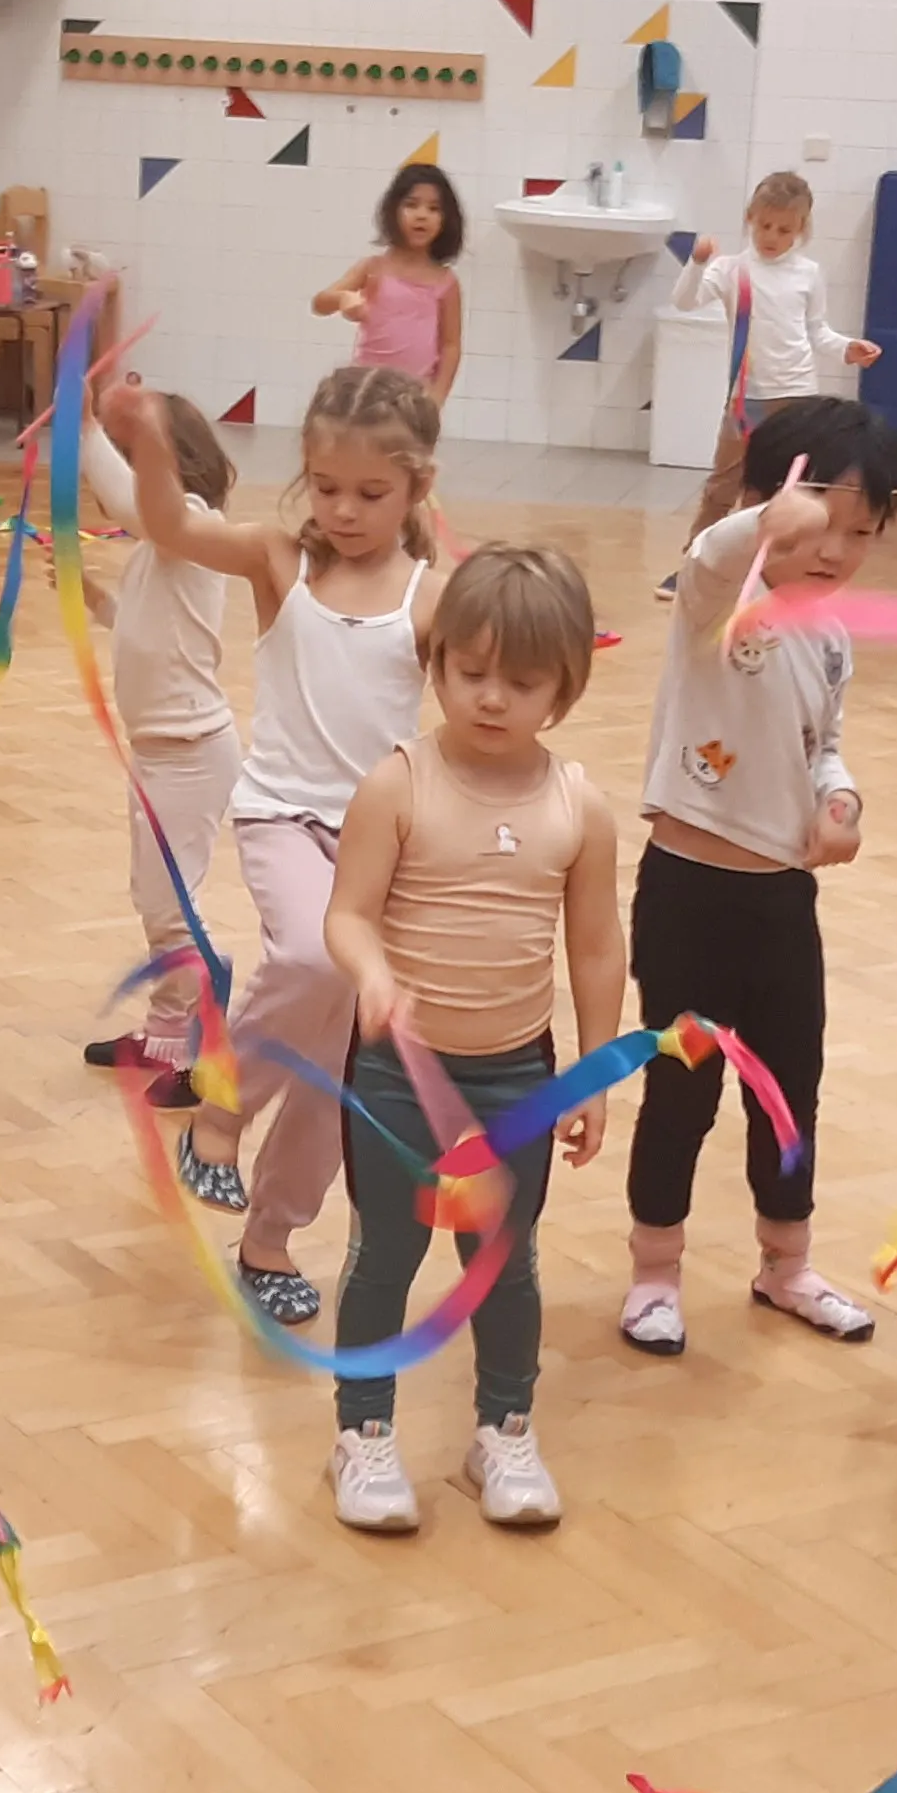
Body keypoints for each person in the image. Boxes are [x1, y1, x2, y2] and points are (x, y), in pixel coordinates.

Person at [108, 363, 444, 1324]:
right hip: (282, 815)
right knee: (309, 957)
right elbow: (170, 527)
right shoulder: (276, 560)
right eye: (326, 487)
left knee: (341, 1056)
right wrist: (156, 444)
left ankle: (270, 1239)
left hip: (379, 843)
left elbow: (483, 678)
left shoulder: (428, 595)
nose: (343, 510)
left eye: (371, 493)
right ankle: (219, 1109)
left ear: (417, 488)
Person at [317, 544, 625, 1532]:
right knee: (385, 1255)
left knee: (505, 1258)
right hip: (398, 1077)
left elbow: (595, 947)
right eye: (469, 671)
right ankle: (361, 1436)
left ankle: (503, 1426)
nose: (491, 697)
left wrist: (595, 1071)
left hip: (516, 1079)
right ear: (437, 663)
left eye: (521, 680)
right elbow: (349, 914)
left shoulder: (580, 807)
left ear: (563, 690)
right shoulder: (396, 785)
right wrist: (372, 974)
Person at [620, 395, 897, 1354]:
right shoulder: (716, 598)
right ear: (765, 500)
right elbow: (706, 560)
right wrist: (755, 523)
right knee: (680, 1094)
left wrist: (843, 800)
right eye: (819, 525)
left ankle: (787, 1264)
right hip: (688, 895)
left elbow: (824, 745)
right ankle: (654, 1272)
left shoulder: (829, 637)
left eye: (859, 535)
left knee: (791, 1090)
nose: (832, 552)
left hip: (783, 899)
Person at [73, 383, 240, 1108]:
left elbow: (123, 497)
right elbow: (149, 633)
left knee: (169, 907)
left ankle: (204, 1048)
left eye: (143, 452)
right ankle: (165, 1035)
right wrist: (93, 600)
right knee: (154, 902)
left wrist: (87, 429)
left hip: (191, 754)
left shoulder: (193, 529)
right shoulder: (160, 551)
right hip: (161, 754)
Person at [662, 170, 880, 591]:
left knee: (779, 491)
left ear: (802, 229)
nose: (772, 236)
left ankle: (762, 571)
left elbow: (817, 331)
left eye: (784, 229)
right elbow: (684, 301)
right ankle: (693, 567)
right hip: (747, 398)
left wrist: (846, 348)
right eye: (764, 225)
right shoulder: (731, 270)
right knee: (722, 486)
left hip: (797, 398)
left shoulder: (808, 274)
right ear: (750, 218)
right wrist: (698, 262)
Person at [315, 162, 465, 406]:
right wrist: (343, 299)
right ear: (393, 211)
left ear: (446, 220)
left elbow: (450, 346)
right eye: (411, 205)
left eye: (434, 208)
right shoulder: (373, 268)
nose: (422, 215)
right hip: (365, 391)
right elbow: (320, 303)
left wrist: (437, 398)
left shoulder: (445, 282)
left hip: (415, 397)